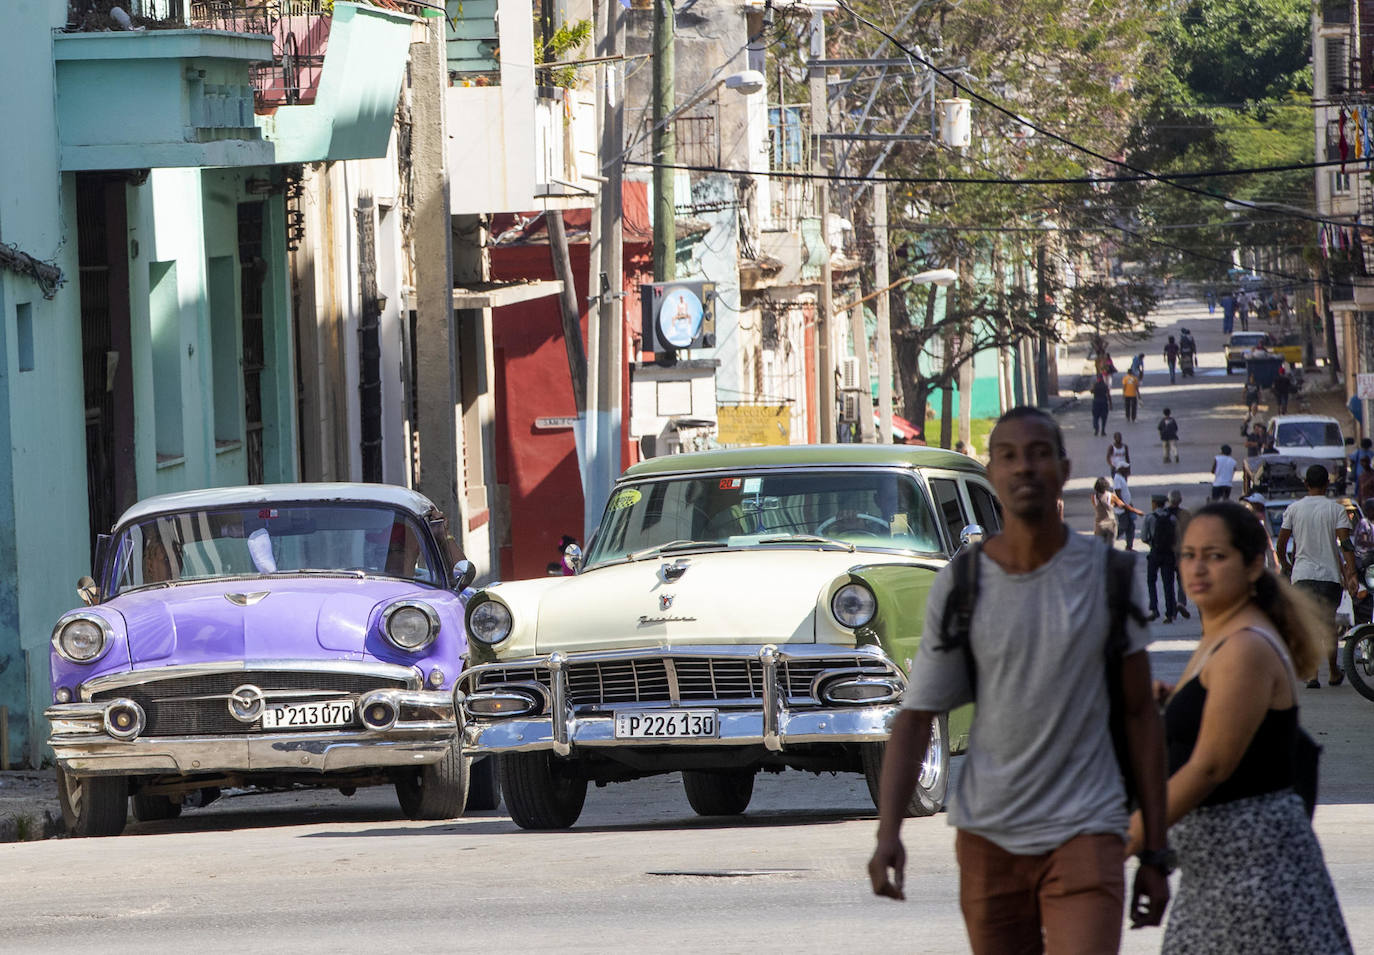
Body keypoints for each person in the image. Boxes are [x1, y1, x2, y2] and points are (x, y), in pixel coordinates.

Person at [868, 406, 1170, 951]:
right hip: (989, 839)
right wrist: (889, 832)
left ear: (1064, 468)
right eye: (1007, 455)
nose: (1023, 467)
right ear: (991, 474)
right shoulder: (963, 583)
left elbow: (1139, 715)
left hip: (1088, 829)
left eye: (1038, 454)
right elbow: (917, 716)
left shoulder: (1109, 575)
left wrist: (1155, 849)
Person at [1125, 501, 1352, 954]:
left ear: (1253, 566)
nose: (1197, 568)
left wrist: (1121, 842)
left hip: (1256, 882)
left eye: (1215, 556)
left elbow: (1210, 766)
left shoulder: (1245, 646)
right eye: (1189, 555)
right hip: (1218, 880)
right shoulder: (1223, 635)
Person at [1276, 464, 1366, 688]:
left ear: (1306, 484)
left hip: (1302, 576)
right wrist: (1352, 572)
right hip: (1329, 577)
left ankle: (1312, 674)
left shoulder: (1294, 509)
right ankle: (1334, 672)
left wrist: (1286, 563)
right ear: (1327, 484)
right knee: (1327, 625)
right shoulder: (1335, 510)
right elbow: (1345, 543)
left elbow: (1281, 542)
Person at [1142, 494, 1179, 622]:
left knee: (1151, 581)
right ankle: (1169, 613)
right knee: (1168, 583)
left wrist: (1153, 543)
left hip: (1155, 553)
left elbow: (1143, 537)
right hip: (1168, 554)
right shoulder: (1172, 518)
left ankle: (1154, 609)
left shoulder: (1149, 518)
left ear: (1154, 503)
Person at [1167, 491, 1193, 621]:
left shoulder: (1164, 514)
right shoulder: (1186, 514)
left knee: (1168, 581)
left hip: (1168, 552)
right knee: (1182, 580)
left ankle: (1171, 610)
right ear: (1180, 500)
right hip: (1183, 551)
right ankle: (1181, 602)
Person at [1240, 490, 1281, 569]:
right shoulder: (1238, 524)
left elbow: (1270, 547)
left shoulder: (1259, 525)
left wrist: (1275, 565)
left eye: (1252, 505)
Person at [1114, 464, 1145, 551]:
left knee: (1130, 527)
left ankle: (1129, 546)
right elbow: (1118, 493)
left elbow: (1125, 493)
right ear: (1121, 469)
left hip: (1126, 507)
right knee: (1123, 526)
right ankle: (1108, 540)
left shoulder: (1122, 478)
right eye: (1126, 468)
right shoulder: (1117, 478)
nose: (1128, 470)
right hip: (1122, 509)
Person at [1093, 477, 1118, 545]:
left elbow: (1095, 506)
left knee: (1100, 547)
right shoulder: (1111, 496)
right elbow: (1120, 505)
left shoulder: (1094, 497)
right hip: (1111, 524)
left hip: (1099, 525)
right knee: (1110, 547)